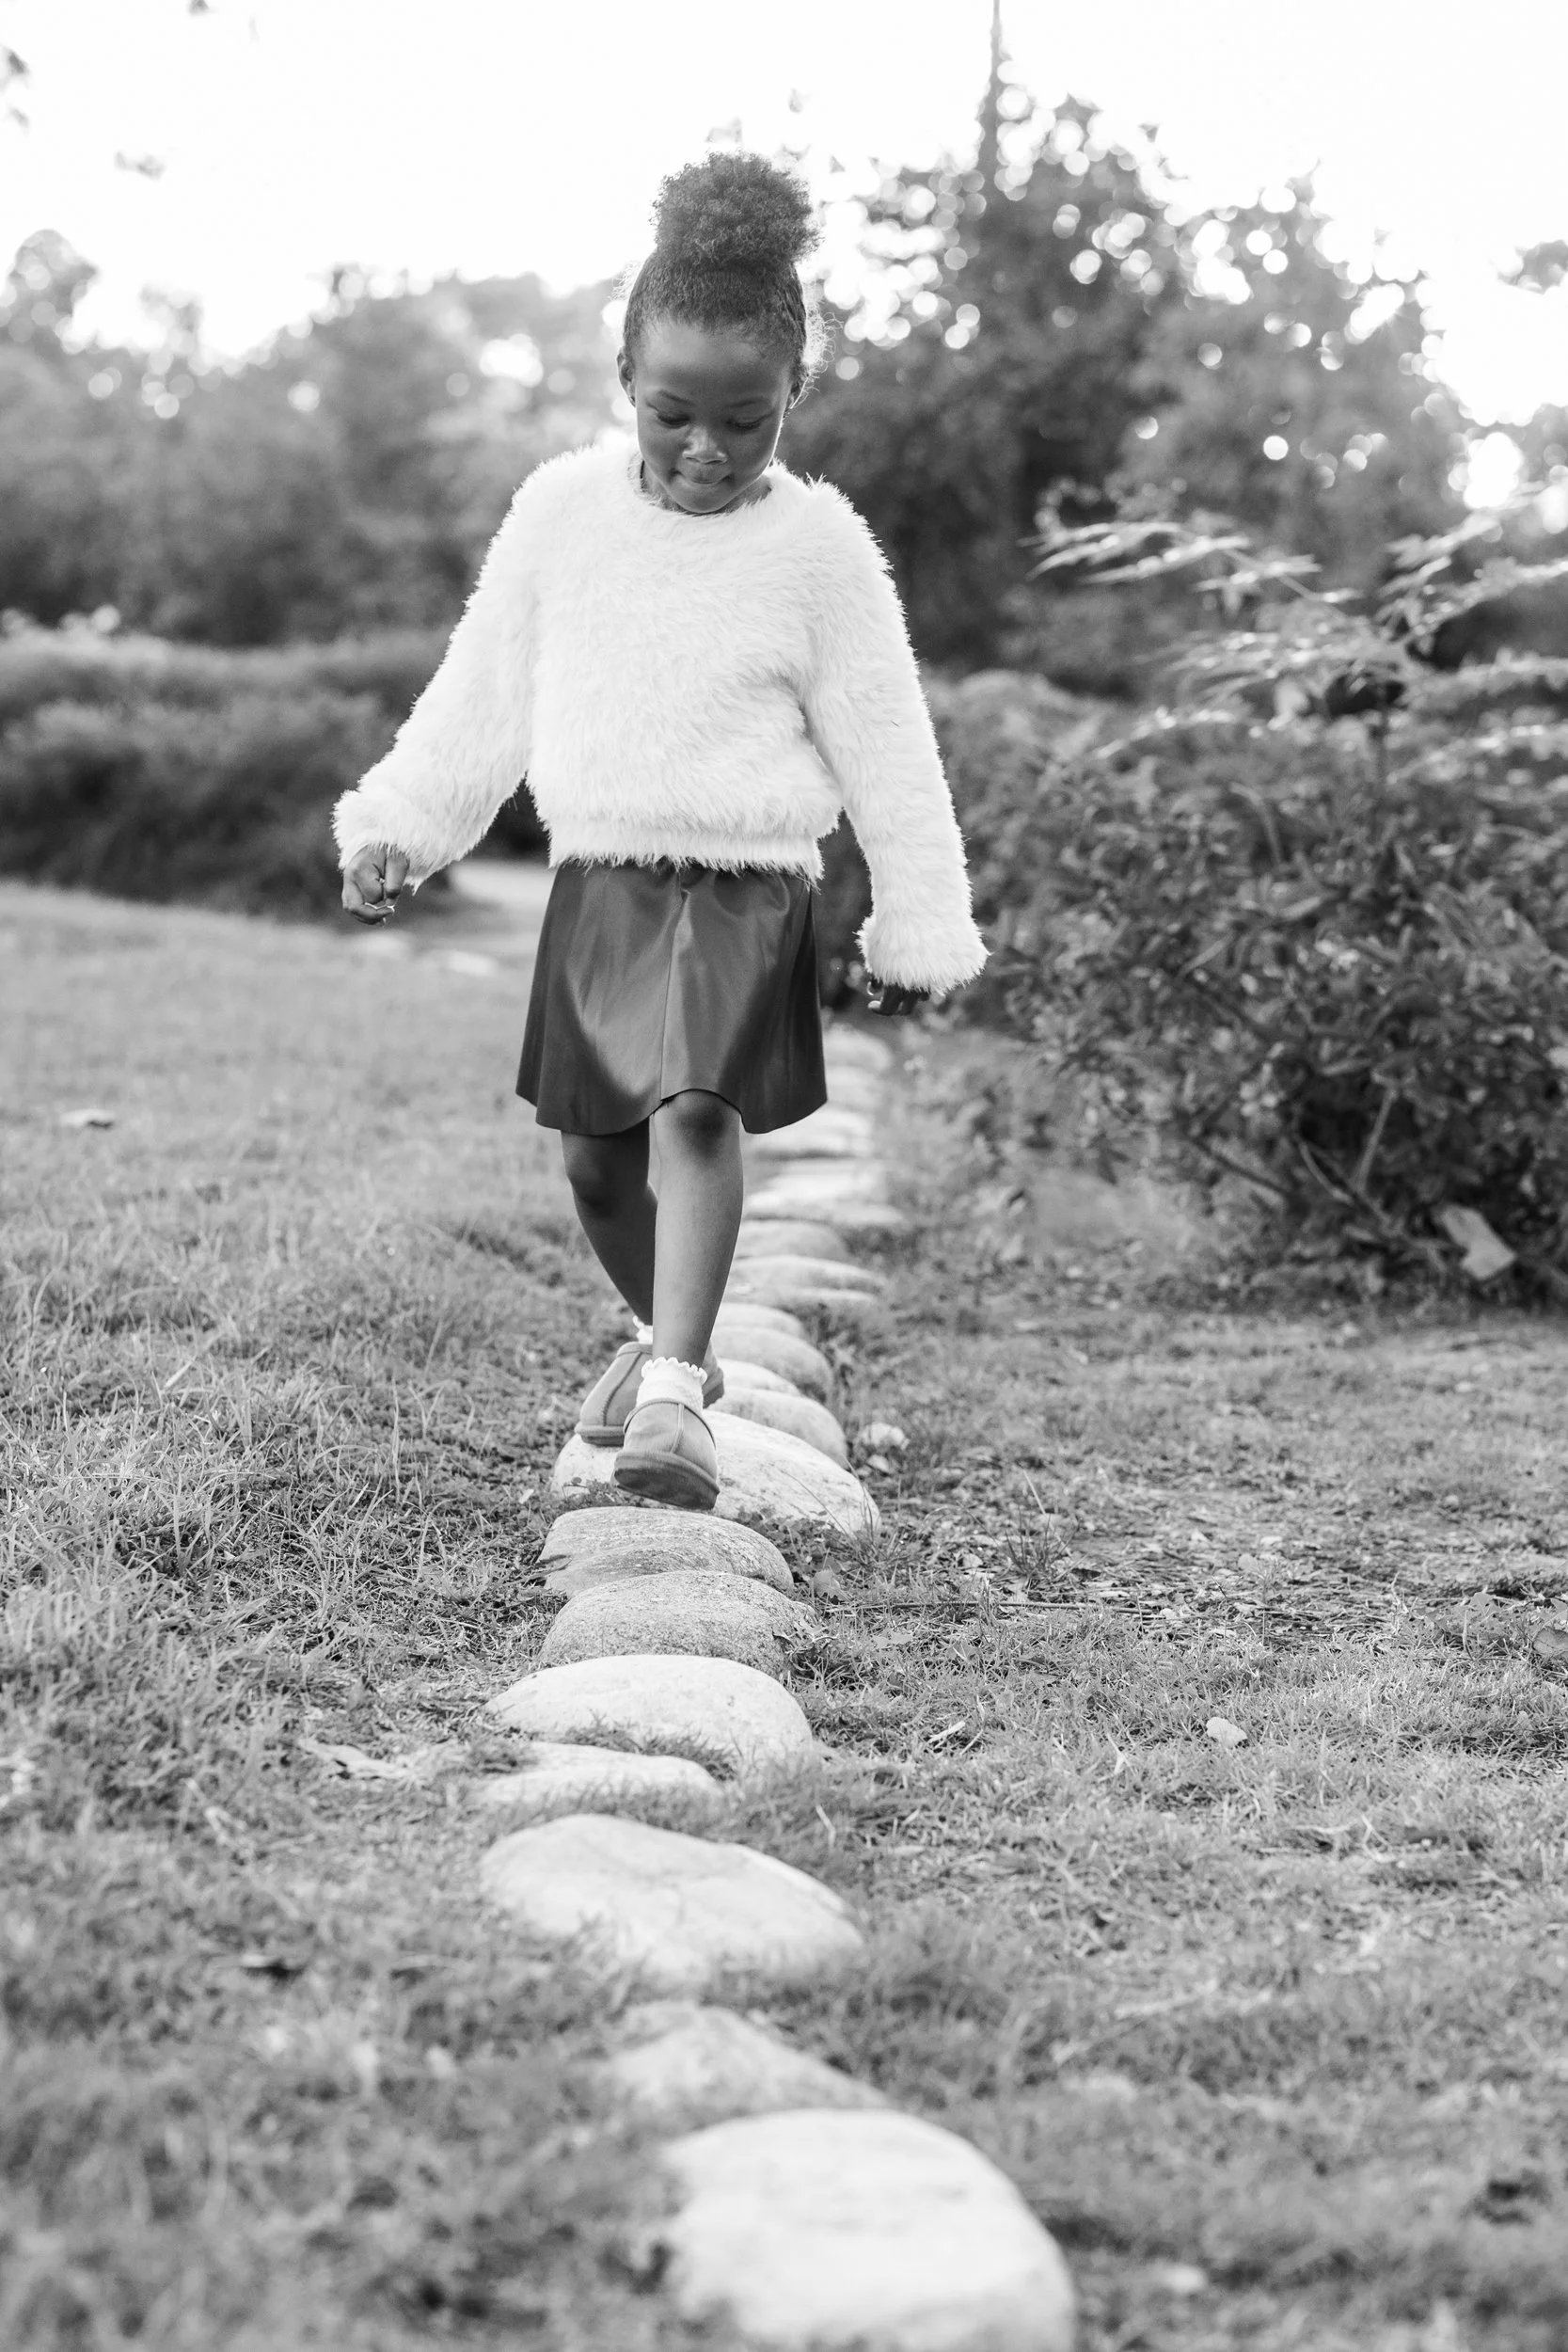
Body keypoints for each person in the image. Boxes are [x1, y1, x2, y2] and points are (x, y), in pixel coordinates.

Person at [334, 151, 985, 1513]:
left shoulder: (819, 552)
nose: (706, 448)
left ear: (793, 396)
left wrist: (916, 916)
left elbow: (885, 739)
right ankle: (660, 1341)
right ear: (624, 376)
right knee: (592, 1153)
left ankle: (679, 1390)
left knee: (696, 1110)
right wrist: (401, 822)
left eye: (745, 421)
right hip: (602, 878)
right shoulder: (560, 517)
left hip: (748, 882)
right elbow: (483, 690)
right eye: (674, 413)